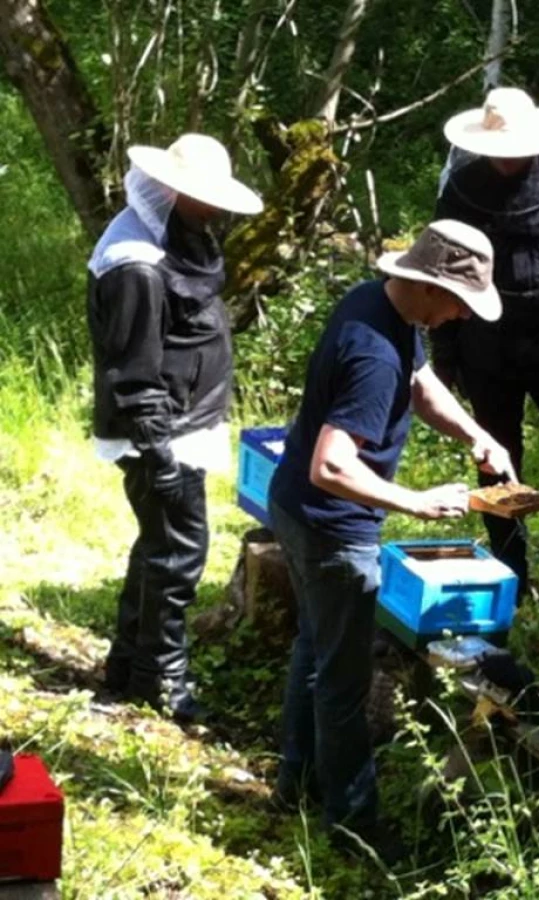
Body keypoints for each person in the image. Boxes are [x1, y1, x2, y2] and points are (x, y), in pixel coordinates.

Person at [267, 220, 515, 861]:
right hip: (331, 528)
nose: (460, 316)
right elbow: (332, 463)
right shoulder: (373, 355)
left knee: (314, 649)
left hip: (295, 508)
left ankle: (293, 783)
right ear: (432, 287)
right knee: (344, 684)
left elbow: (422, 383)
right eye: (459, 302)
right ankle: (352, 827)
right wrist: (417, 502)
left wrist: (474, 434)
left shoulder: (377, 302)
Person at [87, 133, 263, 724]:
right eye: (202, 195)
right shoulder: (133, 264)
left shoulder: (178, 232)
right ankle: (164, 685)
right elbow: (132, 373)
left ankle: (129, 670)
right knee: (181, 556)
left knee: (158, 550)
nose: (212, 207)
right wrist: (158, 453)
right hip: (162, 435)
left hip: (183, 425)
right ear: (170, 188)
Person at [431, 87, 539, 603]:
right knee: (495, 459)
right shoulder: (460, 188)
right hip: (488, 345)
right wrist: (446, 353)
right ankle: (509, 572)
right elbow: (443, 272)